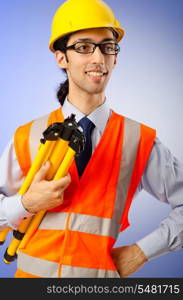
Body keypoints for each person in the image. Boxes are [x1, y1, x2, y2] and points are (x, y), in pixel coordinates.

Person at [0, 0, 183, 278]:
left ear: (115, 57)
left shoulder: (138, 140)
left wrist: (142, 252)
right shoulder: (28, 135)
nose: (98, 58)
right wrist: (26, 203)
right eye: (84, 47)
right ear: (62, 58)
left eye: (107, 47)